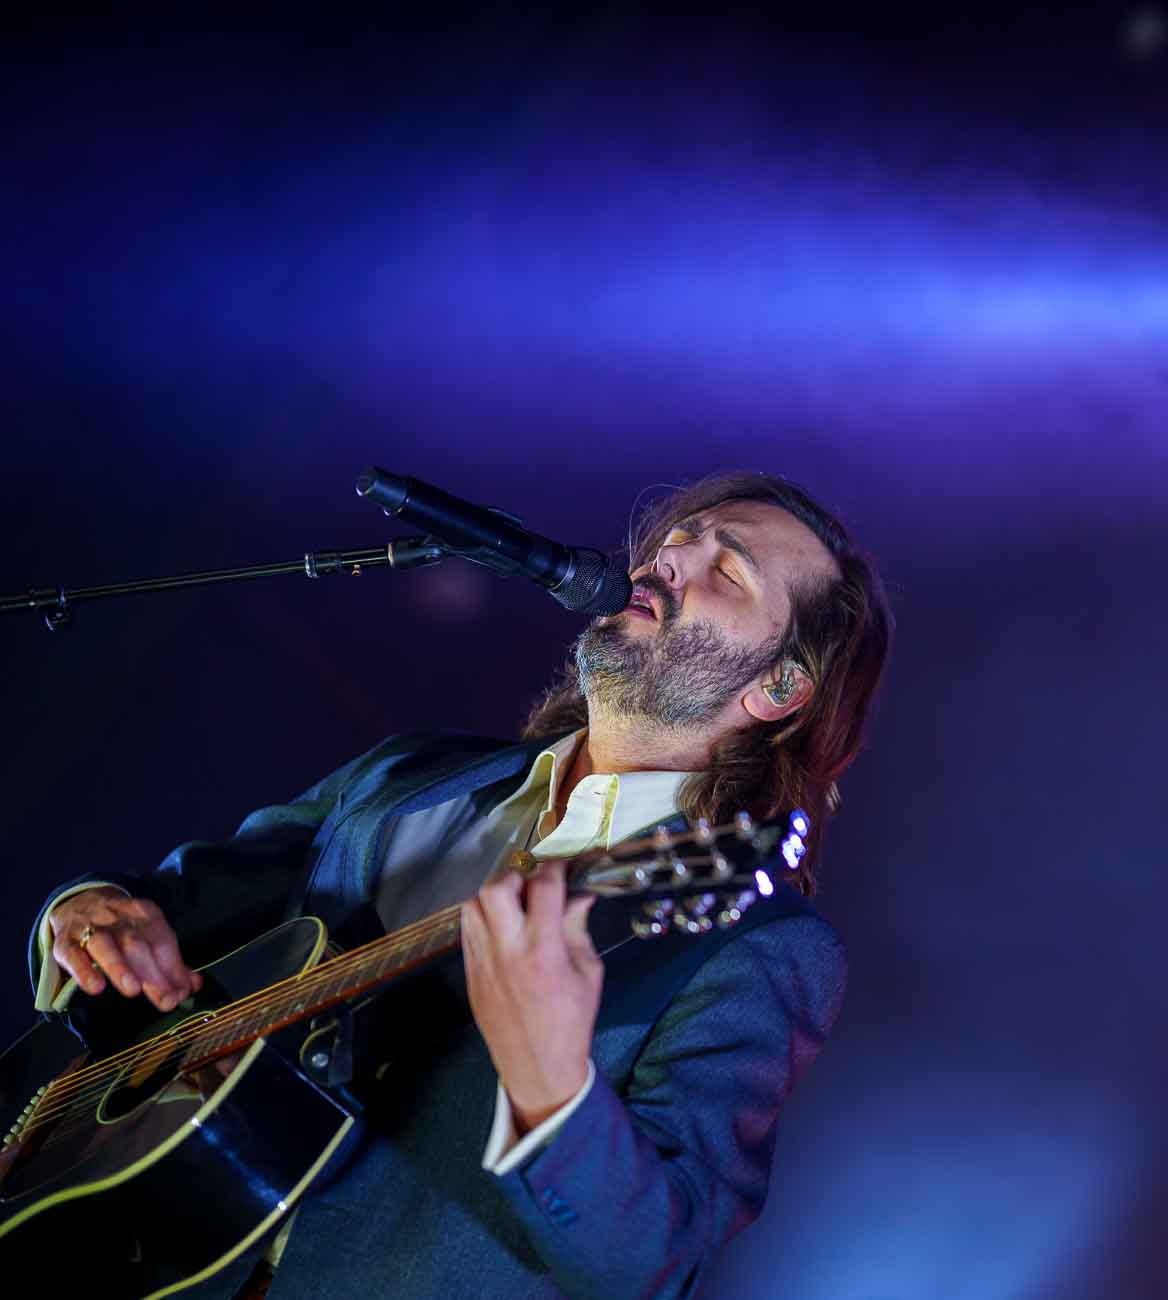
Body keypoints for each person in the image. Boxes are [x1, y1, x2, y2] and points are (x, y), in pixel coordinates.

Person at [23, 471, 893, 1299]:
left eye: (724, 569)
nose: (668, 560)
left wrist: (552, 1090)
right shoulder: (411, 773)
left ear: (778, 688)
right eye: (679, 538)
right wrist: (87, 916)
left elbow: (653, 1264)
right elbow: (169, 906)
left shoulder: (762, 945)